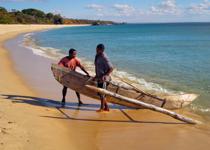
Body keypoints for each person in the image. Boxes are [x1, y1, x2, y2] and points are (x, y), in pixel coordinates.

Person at [94, 44, 113, 112]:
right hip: (99, 78)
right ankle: (106, 108)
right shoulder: (97, 56)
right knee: (100, 94)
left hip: (103, 79)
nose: (96, 50)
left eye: (97, 49)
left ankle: (102, 108)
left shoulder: (104, 57)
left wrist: (105, 75)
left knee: (102, 94)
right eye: (96, 49)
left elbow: (111, 68)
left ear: (101, 50)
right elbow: (98, 67)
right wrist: (96, 75)